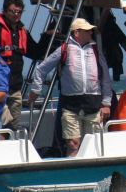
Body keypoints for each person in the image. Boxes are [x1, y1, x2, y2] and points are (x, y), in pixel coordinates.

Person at [29, 18, 113, 156]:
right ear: (76, 33)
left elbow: (105, 78)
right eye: (87, 30)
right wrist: (36, 89)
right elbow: (41, 69)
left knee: (93, 144)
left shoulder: (96, 51)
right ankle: (73, 164)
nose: (91, 33)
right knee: (73, 144)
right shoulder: (64, 49)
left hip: (93, 104)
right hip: (70, 105)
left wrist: (106, 103)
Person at [0, 0, 49, 131]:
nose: (16, 15)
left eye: (19, 12)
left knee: (13, 127)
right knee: (1, 125)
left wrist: (46, 37)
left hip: (15, 88)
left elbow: (35, 52)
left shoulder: (22, 32)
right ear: (5, 11)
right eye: (13, 11)